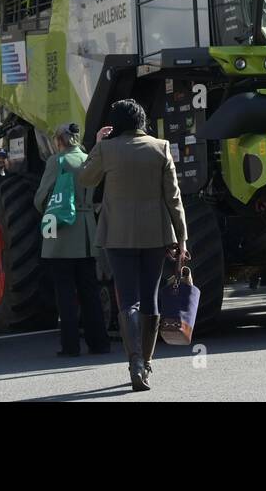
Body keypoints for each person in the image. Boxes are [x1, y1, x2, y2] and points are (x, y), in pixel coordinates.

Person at [79, 99, 188, 392]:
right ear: (142, 121)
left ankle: (135, 362)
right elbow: (174, 199)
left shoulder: (107, 149)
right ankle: (148, 362)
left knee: (128, 299)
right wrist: (182, 239)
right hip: (155, 233)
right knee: (151, 298)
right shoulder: (161, 147)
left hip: (117, 234)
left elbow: (85, 178)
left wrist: (96, 143)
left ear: (115, 124)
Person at [35, 123, 109, 357]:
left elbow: (42, 197)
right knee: (90, 291)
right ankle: (99, 343)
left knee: (65, 293)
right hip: (88, 231)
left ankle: (70, 346)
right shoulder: (89, 159)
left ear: (58, 140)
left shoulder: (57, 161)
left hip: (62, 234)